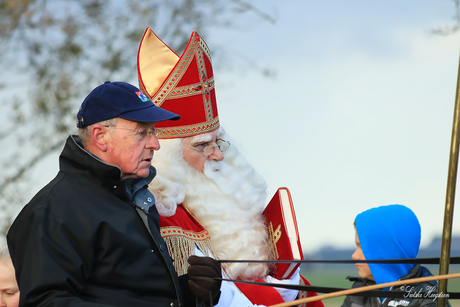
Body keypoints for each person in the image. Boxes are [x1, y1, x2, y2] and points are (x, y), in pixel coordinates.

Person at [137, 27, 324, 307]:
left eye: (218, 142)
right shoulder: (165, 222)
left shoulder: (226, 205)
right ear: (169, 158)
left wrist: (287, 285)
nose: (218, 156)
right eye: (203, 146)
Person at [7, 81, 222, 307]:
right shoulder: (53, 210)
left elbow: (133, 295)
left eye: (154, 132)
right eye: (142, 133)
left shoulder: (132, 197)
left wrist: (195, 291)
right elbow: (45, 302)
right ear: (100, 137)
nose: (156, 144)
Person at [341, 204, 449, 307]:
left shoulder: (429, 297)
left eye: (362, 248)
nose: (354, 255)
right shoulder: (359, 291)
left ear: (385, 251)